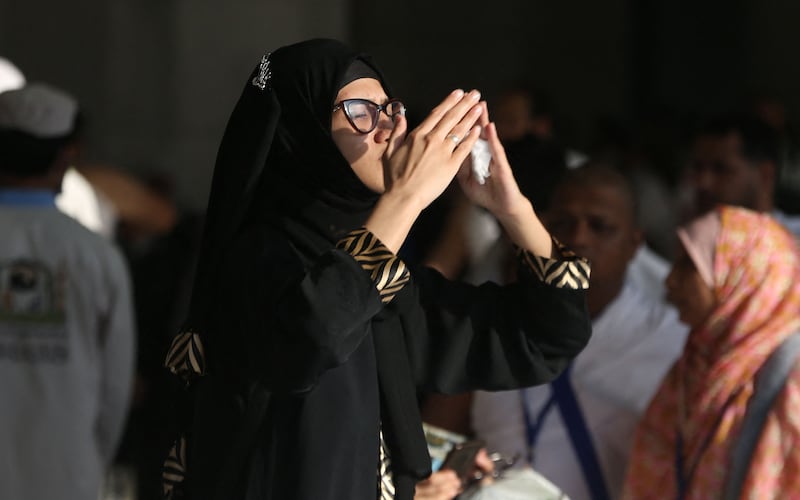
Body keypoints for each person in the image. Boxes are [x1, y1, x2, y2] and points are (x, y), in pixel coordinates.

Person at [161, 38, 592, 500]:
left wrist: (512, 210)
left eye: (389, 108)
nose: (387, 127)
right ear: (301, 131)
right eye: (360, 111)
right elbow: (312, 336)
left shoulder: (384, 283)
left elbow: (548, 337)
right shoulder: (258, 260)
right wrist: (405, 198)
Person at [470, 164, 687, 500]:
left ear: (633, 244)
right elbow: (438, 431)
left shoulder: (673, 342)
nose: (579, 238)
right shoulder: (497, 324)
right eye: (562, 224)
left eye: (600, 227)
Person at [0, 83, 136, 499]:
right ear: (65, 156)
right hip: (64, 475)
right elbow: (115, 386)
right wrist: (88, 458)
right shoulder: (95, 255)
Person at [623, 205, 800, 499]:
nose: (670, 281)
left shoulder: (789, 382)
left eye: (689, 266)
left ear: (744, 275)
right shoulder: (696, 363)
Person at [686, 112, 800, 236]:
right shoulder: (688, 236)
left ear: (765, 174)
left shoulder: (794, 240)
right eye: (698, 168)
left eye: (721, 169)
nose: (704, 183)